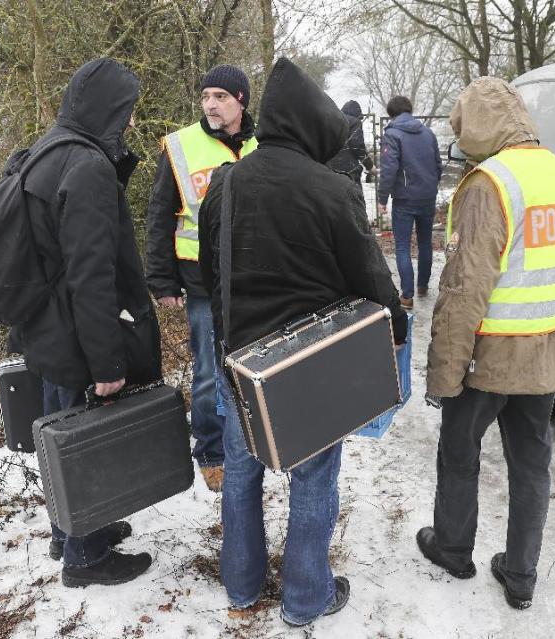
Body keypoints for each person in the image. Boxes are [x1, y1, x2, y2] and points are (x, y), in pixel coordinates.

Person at [197, 58, 407, 627]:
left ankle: (240, 585)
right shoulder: (331, 188)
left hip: (240, 361)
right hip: (306, 365)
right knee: (313, 479)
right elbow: (370, 277)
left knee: (241, 473)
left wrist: (224, 342)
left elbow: (208, 275)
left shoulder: (226, 181)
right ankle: (305, 598)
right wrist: (397, 326)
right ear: (310, 128)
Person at [417, 77, 555, 610]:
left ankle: (452, 548)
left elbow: (466, 289)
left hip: (486, 358)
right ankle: (521, 574)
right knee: (532, 461)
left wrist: (443, 373)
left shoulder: (489, 184)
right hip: (547, 355)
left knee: (459, 452)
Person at [11, 58, 158, 587]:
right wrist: (107, 362)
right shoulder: (88, 167)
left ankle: (66, 529)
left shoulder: (44, 152)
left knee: (58, 434)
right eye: (128, 112)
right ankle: (86, 557)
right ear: (108, 110)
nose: (133, 123)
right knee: (80, 442)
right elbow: (91, 276)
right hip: (74, 334)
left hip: (45, 329)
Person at [144, 65, 258, 492]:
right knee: (209, 369)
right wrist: (161, 277)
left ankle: (252, 438)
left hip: (252, 280)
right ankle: (211, 452)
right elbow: (159, 214)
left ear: (241, 100)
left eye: (221, 96)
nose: (210, 104)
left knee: (251, 365)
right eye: (206, 95)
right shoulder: (180, 147)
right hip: (200, 281)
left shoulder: (264, 144)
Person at [376, 95, 442, 310]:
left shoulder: (392, 134)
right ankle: (422, 286)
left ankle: (407, 296)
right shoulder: (428, 133)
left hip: (404, 199)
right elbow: (438, 164)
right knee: (425, 242)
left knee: (403, 246)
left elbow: (388, 170)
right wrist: (430, 185)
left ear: (391, 113)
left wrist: (382, 198)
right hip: (427, 196)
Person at [327, 100, 376, 187]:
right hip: (349, 169)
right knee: (353, 198)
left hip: (330, 168)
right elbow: (357, 146)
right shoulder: (354, 122)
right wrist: (370, 166)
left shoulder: (332, 121)